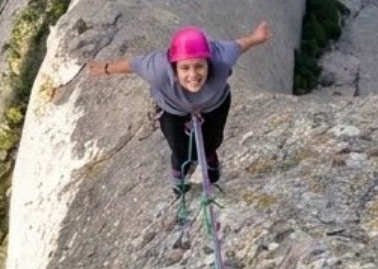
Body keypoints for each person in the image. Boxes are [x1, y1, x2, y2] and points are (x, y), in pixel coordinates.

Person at [89, 20, 271, 194]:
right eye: (185, 68)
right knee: (179, 147)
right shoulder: (157, 69)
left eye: (199, 66)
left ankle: (209, 157)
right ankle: (180, 167)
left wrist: (257, 38)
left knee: (213, 141)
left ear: (209, 63)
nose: (193, 74)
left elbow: (239, 45)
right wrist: (105, 68)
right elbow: (132, 64)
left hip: (215, 104)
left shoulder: (221, 59)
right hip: (172, 108)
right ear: (174, 68)